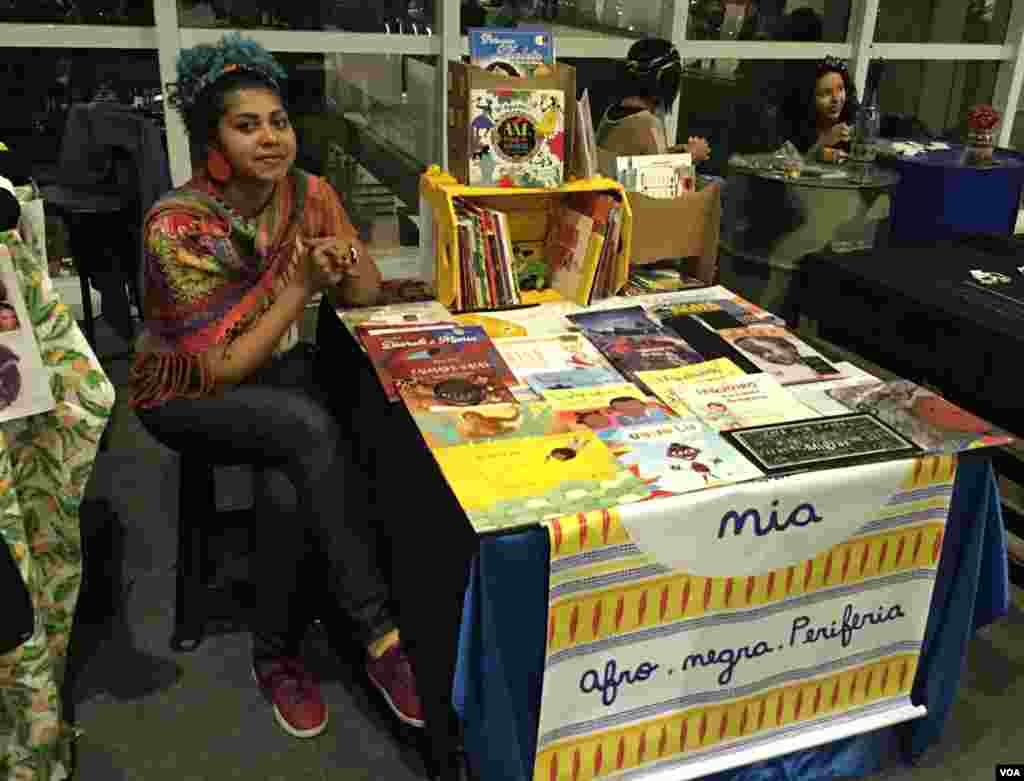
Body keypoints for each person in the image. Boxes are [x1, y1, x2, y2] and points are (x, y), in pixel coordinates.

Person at [129, 33, 423, 739]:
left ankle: (277, 652)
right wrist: (298, 282)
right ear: (214, 141)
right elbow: (221, 364)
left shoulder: (307, 194)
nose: (270, 138)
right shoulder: (177, 224)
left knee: (289, 481)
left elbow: (368, 294)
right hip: (184, 390)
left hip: (273, 374)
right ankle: (380, 635)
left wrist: (347, 259)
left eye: (279, 121)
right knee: (308, 429)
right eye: (246, 124)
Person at [596, 38, 711, 162]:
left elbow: (643, 158)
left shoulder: (611, 112)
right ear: (668, 81)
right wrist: (691, 156)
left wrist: (679, 151)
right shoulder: (646, 122)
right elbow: (660, 174)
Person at [782, 55, 859, 163]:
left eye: (840, 89)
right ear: (809, 99)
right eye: (826, 93)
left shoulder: (853, 123)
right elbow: (792, 168)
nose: (836, 99)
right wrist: (824, 141)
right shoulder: (794, 128)